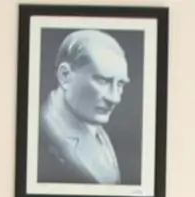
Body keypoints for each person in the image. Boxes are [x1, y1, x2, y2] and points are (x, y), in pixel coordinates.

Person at [38, 29, 128, 185]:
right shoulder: (41, 136)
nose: (115, 98)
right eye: (102, 80)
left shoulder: (94, 127)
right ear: (65, 76)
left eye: (120, 84)